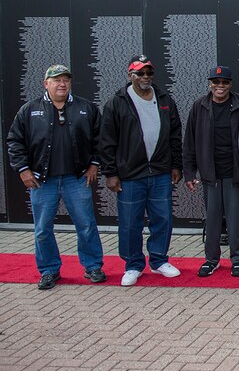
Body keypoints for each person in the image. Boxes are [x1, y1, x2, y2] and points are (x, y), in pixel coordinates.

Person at [6, 64, 105, 290]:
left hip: (76, 179)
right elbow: (15, 141)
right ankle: (49, 270)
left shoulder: (86, 108)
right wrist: (23, 169)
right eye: (57, 80)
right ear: (46, 83)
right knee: (42, 229)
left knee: (87, 225)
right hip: (43, 181)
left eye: (66, 80)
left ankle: (92, 267)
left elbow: (100, 140)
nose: (62, 84)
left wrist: (94, 164)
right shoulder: (29, 110)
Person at [99, 55, 183, 287]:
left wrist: (176, 165)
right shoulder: (117, 102)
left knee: (162, 218)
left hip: (160, 172)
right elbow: (106, 141)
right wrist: (111, 173)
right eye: (140, 73)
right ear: (130, 75)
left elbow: (175, 134)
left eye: (148, 73)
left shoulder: (165, 99)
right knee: (130, 222)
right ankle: (133, 264)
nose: (145, 77)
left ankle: (158, 260)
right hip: (130, 174)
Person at [182, 65, 239, 278]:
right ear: (210, 83)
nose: (220, 86)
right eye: (216, 82)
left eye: (225, 82)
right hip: (210, 172)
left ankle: (238, 260)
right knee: (212, 219)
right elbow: (189, 142)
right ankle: (212, 260)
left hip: (235, 171)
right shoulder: (199, 106)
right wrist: (190, 173)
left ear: (231, 84)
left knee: (236, 218)